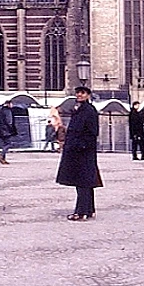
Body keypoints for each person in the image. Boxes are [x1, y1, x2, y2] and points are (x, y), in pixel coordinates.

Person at [55, 86, 102, 221]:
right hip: (77, 149)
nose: (79, 95)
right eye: (78, 93)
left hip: (82, 151)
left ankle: (81, 212)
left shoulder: (89, 110)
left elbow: (92, 131)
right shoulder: (79, 109)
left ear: (88, 95)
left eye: (82, 93)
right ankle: (89, 209)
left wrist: (81, 145)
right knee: (85, 181)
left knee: (82, 182)